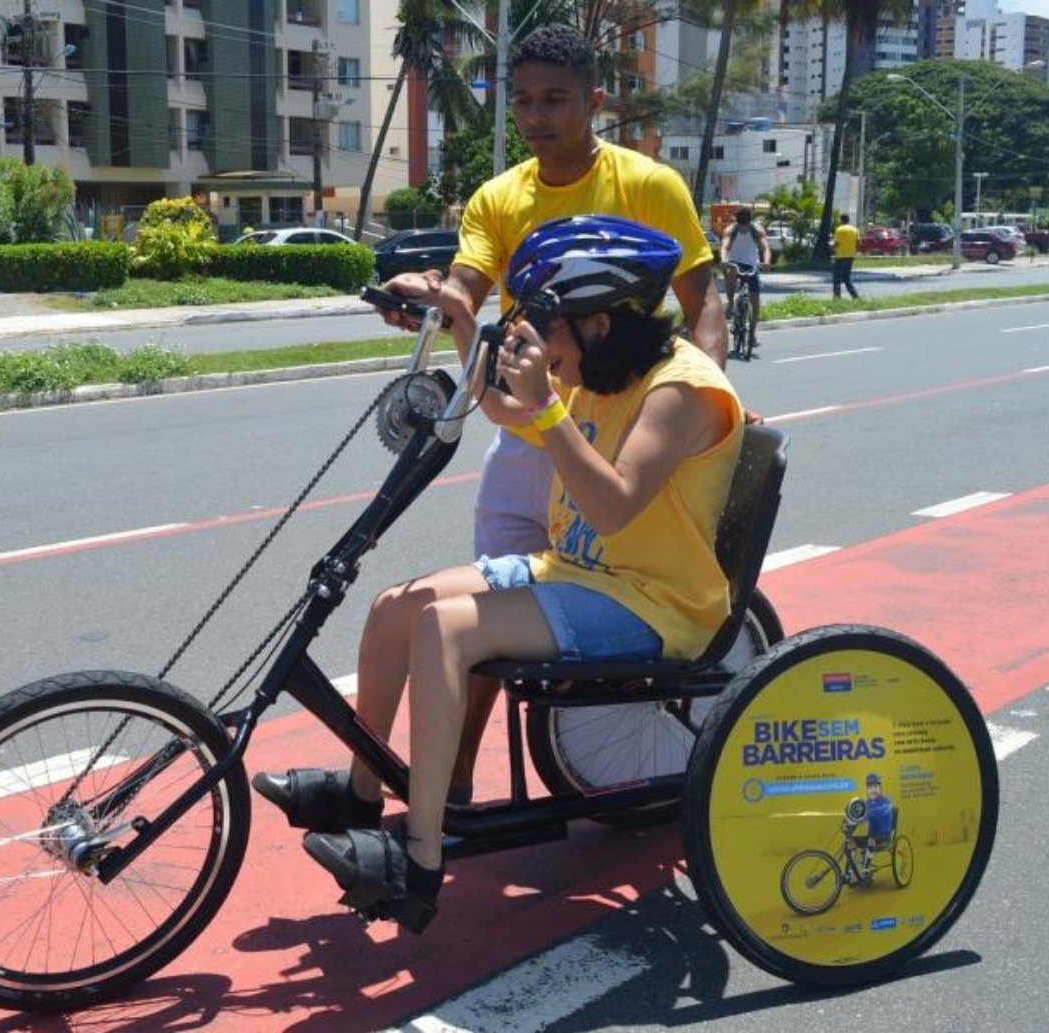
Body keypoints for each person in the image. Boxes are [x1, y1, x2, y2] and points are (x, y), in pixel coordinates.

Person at [253, 216, 744, 931]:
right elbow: (510, 415)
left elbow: (610, 505)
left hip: (653, 599)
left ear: (599, 324)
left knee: (446, 631)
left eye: (551, 327)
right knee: (398, 603)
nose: (542, 343)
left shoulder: (680, 389)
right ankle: (362, 797)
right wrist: (462, 318)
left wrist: (547, 404)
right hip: (583, 572)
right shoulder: (608, 368)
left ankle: (419, 859)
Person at [371, 22, 728, 806]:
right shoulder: (501, 196)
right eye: (523, 100)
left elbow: (706, 305)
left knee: (544, 602)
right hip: (532, 428)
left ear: (595, 102)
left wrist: (695, 414)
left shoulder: (649, 185)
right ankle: (454, 783)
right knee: (479, 614)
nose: (536, 116)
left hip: (625, 423)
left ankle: (443, 799)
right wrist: (435, 299)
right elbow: (468, 286)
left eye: (555, 100)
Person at [719, 206, 771, 350]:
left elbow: (765, 247)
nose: (743, 224)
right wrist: (724, 260)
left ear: (749, 220)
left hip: (752, 264)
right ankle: (730, 303)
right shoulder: (731, 229)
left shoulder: (757, 230)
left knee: (755, 303)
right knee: (731, 272)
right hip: (735, 261)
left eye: (745, 221)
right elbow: (725, 246)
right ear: (737, 219)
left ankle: (752, 334)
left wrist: (766, 262)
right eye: (741, 220)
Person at [832, 212, 861, 300]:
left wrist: (831, 247)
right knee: (847, 279)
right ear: (848, 220)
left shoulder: (839, 230)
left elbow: (836, 243)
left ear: (841, 220)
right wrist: (855, 250)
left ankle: (837, 298)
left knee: (837, 279)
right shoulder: (855, 230)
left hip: (840, 257)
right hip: (850, 256)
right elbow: (858, 242)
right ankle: (855, 297)